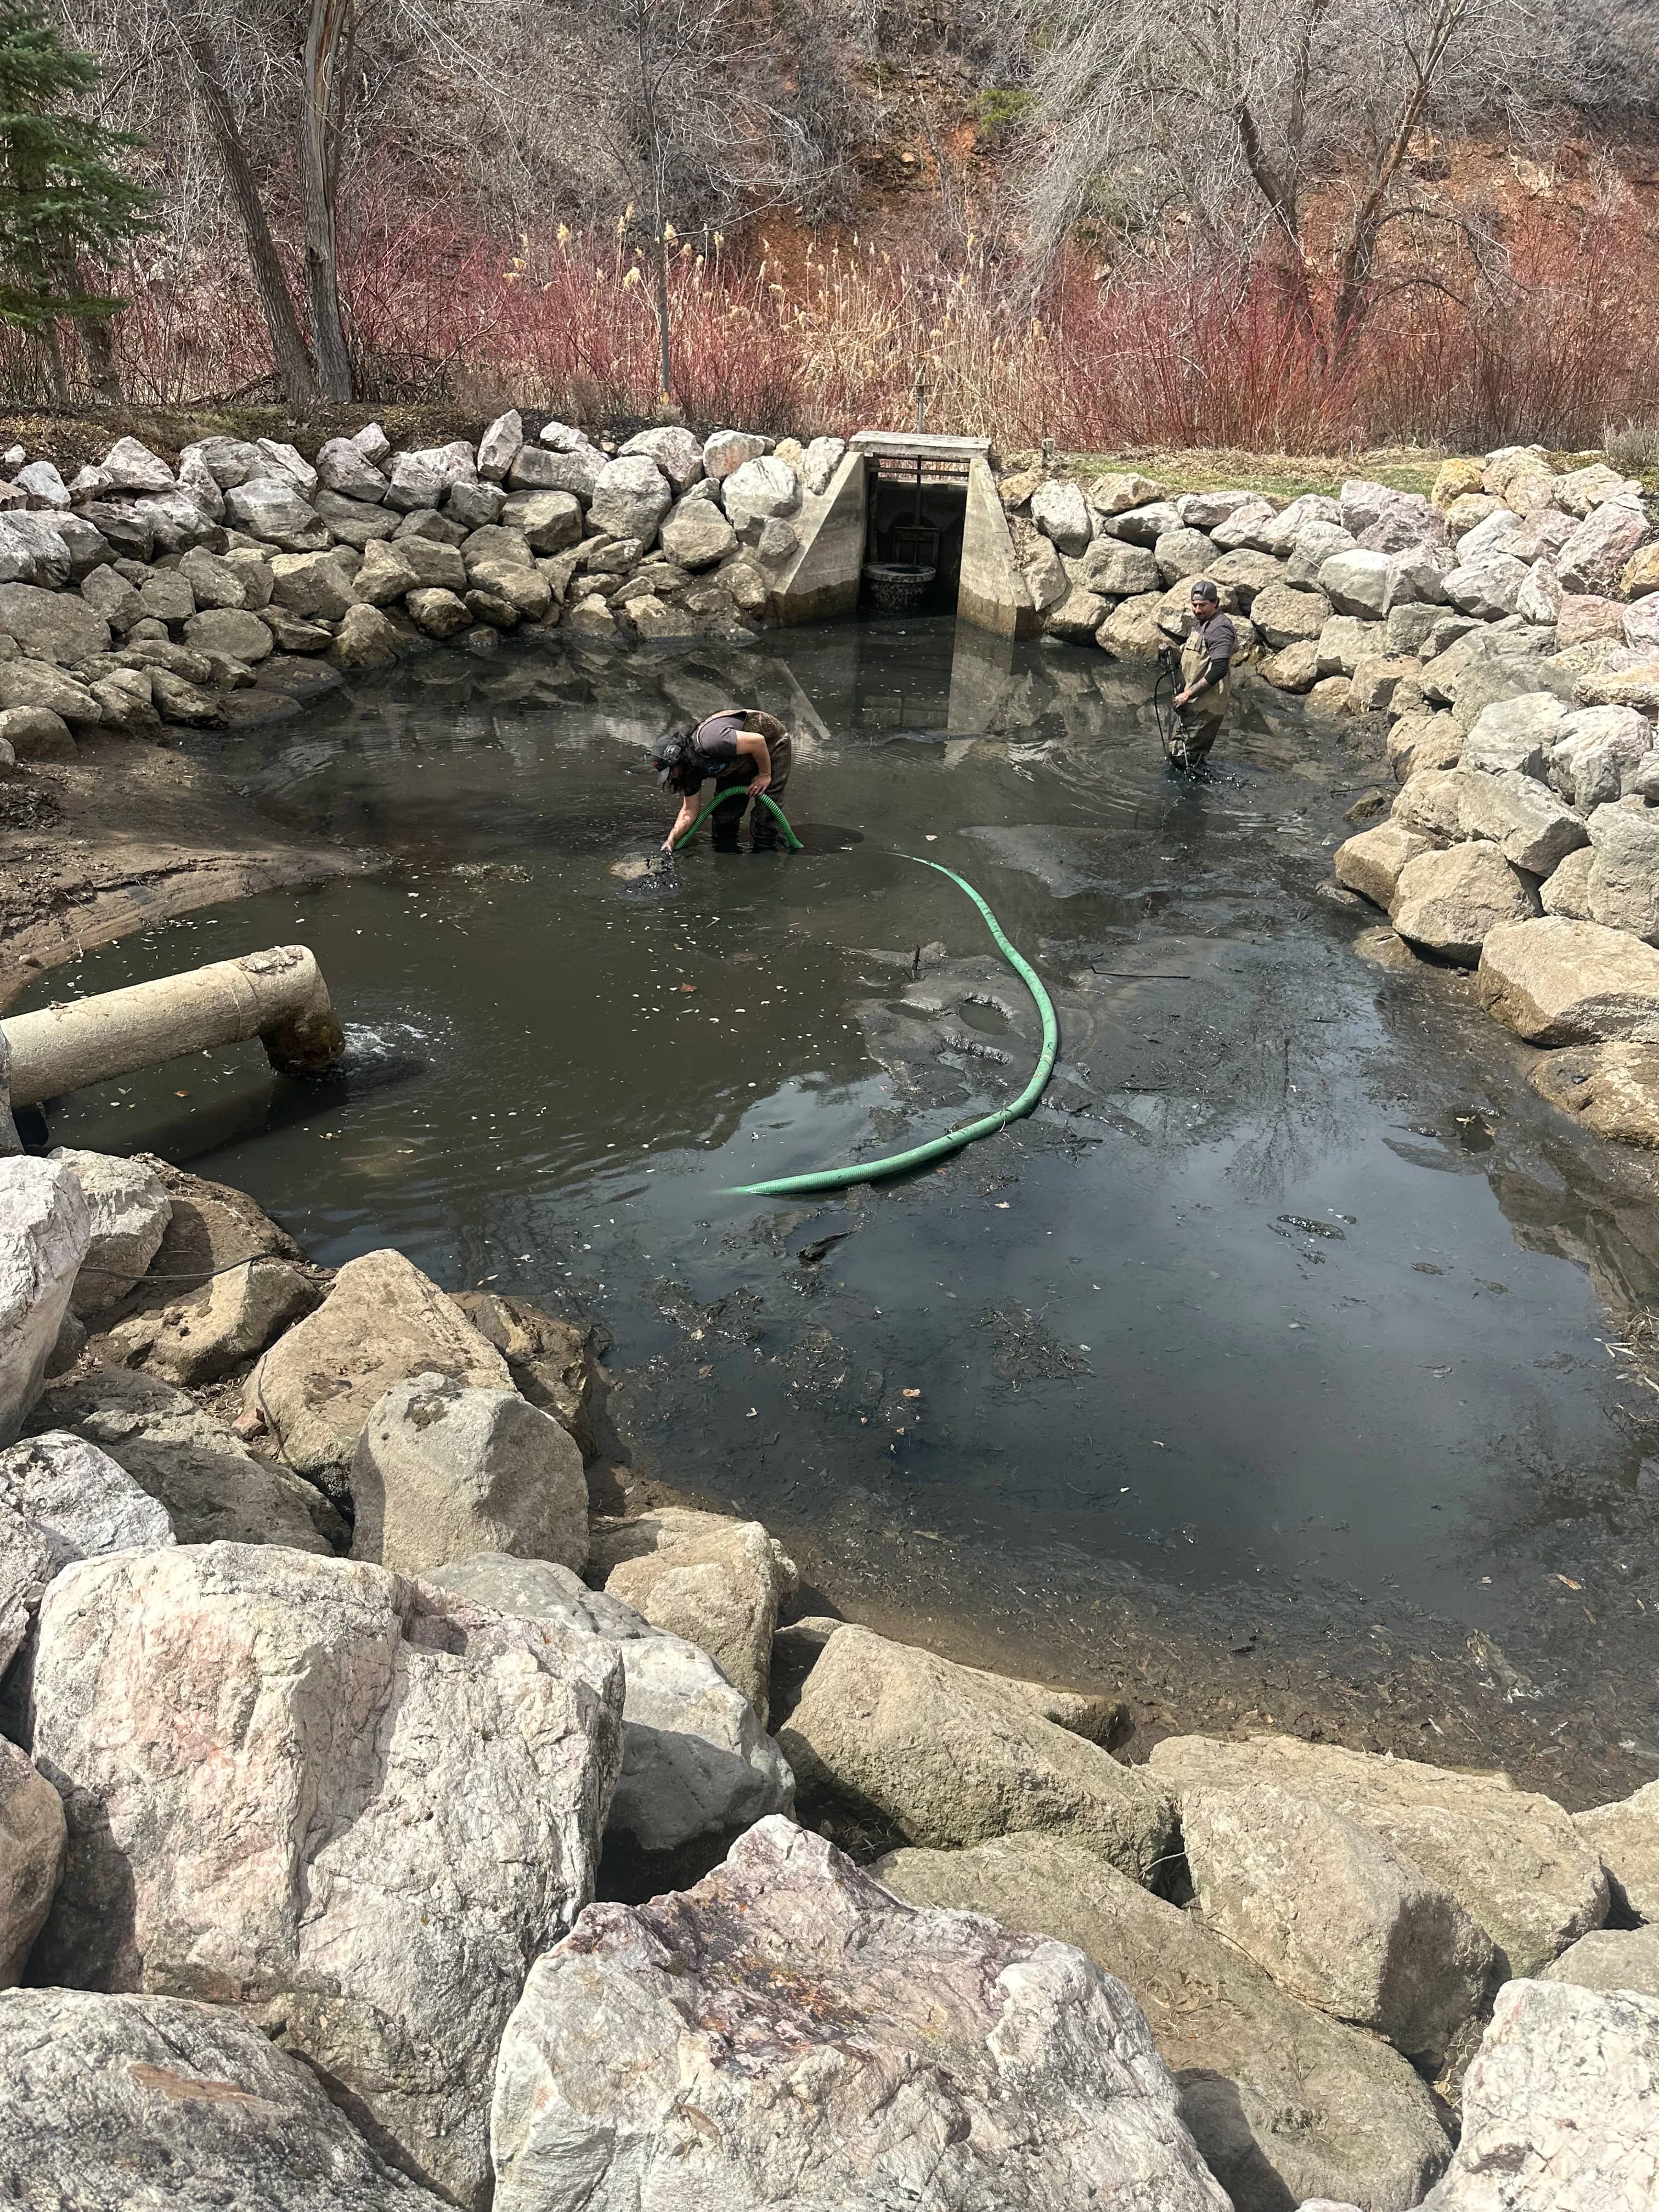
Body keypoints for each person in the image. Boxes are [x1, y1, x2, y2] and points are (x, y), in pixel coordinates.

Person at [653, 707, 794, 852]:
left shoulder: (713, 742)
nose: (670, 777)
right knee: (724, 817)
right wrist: (671, 840)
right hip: (737, 760)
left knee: (765, 814)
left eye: (670, 772)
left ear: (679, 760)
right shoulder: (690, 771)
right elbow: (689, 811)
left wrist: (765, 774)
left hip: (771, 745)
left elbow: (758, 742)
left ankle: (765, 852)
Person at [1170, 579, 1236, 768]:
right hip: (1191, 704)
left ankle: (1199, 794)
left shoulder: (1220, 628)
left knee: (1186, 759)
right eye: (1194, 605)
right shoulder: (1202, 624)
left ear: (1216, 603)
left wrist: (1188, 695)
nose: (1197, 610)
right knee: (1178, 754)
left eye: (1203, 605)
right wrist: (1171, 653)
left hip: (1205, 707)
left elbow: (1219, 669)